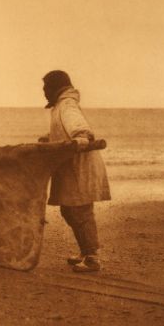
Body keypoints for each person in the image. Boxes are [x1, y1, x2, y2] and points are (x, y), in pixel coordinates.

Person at [41, 70, 111, 272]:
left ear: (55, 87)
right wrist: (50, 137)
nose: (44, 91)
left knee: (80, 211)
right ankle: (86, 250)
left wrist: (81, 137)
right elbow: (63, 128)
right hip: (70, 168)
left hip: (79, 167)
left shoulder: (67, 104)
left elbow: (78, 127)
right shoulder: (61, 105)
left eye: (46, 87)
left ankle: (92, 258)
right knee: (69, 210)